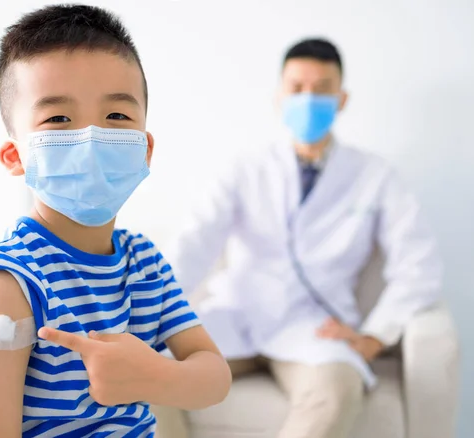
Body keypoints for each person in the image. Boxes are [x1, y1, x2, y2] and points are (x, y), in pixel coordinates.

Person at [0, 5, 231, 438]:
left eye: (116, 116)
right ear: (15, 156)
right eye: (58, 119)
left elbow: (215, 378)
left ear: (144, 148)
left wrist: (152, 375)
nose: (91, 137)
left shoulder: (144, 261)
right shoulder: (5, 287)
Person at [163, 39, 442, 438]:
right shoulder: (245, 169)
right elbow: (195, 242)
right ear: (279, 96)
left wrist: (376, 334)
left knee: (337, 388)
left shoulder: (375, 175)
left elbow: (419, 264)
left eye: (322, 88)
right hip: (236, 314)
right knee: (146, 369)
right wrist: (156, 309)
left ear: (342, 98)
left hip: (315, 328)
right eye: (297, 88)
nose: (309, 98)